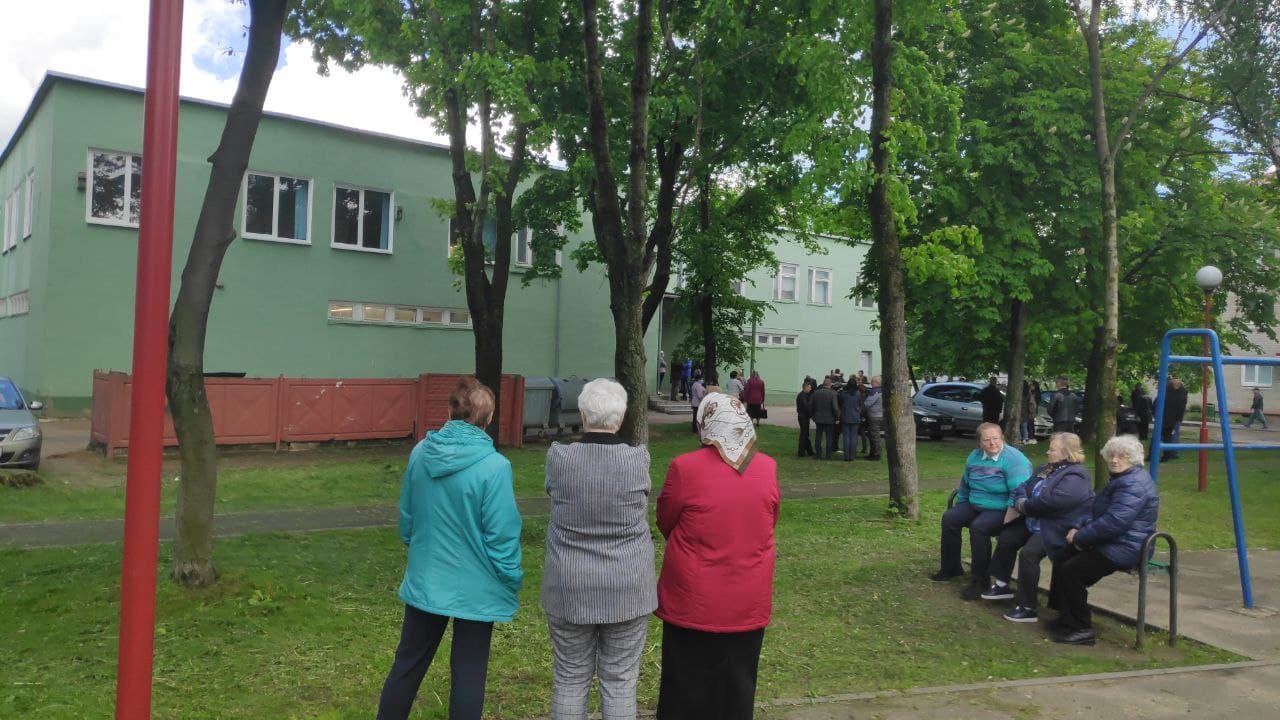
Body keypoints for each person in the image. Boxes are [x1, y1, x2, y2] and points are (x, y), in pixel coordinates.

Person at [378, 378, 523, 720]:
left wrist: (416, 546)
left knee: (408, 663)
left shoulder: (420, 453)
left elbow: (408, 515)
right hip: (477, 584)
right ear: (489, 418)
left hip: (428, 575)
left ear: (449, 410)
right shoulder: (495, 467)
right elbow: (502, 535)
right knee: (469, 671)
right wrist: (511, 576)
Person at [656, 393, 780, 719]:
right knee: (737, 686)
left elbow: (666, 520)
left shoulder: (685, 467)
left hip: (693, 596)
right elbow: (769, 519)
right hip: (747, 596)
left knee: (684, 685)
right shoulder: (768, 467)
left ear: (706, 423)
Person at [542, 379, 656, 720]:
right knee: (620, 681)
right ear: (620, 418)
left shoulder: (560, 457)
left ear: (582, 415)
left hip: (570, 583)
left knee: (569, 677)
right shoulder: (637, 459)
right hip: (627, 584)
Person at [1053, 435, 1159, 645]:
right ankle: (1067, 618)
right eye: (1111, 455)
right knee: (1063, 556)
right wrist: (1078, 527)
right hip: (1114, 541)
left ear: (1133, 459)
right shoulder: (1122, 479)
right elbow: (1097, 512)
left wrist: (1080, 537)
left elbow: (1114, 522)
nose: (1114, 460)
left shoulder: (1133, 484)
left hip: (1127, 547)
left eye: (1122, 456)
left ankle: (1082, 629)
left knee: (1071, 571)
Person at [982, 433, 1093, 623]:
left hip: (1055, 526)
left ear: (1066, 453)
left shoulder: (1076, 475)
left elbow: (1052, 503)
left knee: (1029, 554)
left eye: (1052, 449)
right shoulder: (1045, 468)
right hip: (1033, 520)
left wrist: (1024, 505)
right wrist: (1022, 500)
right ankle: (1002, 584)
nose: (1047, 452)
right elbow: (1022, 487)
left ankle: (1027, 607)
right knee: (1007, 538)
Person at [932, 423, 1033, 600]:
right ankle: (951, 568)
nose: (992, 443)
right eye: (987, 440)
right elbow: (965, 484)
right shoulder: (975, 456)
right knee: (950, 518)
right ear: (979, 443)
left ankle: (979, 581)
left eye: (996, 438)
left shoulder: (1015, 460)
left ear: (1002, 438)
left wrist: (1010, 517)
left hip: (1002, 507)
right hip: (975, 503)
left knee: (979, 528)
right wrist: (961, 504)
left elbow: (1019, 492)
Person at [809, 377, 840, 460]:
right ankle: (828, 455)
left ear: (823, 384)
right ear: (830, 384)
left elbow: (811, 405)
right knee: (829, 437)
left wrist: (812, 416)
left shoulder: (816, 393)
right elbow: (835, 407)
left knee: (818, 436)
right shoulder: (833, 393)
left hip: (818, 418)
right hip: (830, 419)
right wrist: (837, 417)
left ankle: (818, 454)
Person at [1159, 377, 1188, 461]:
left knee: (1171, 435)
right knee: (1170, 435)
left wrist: (1178, 418)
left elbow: (1180, 407)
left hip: (1172, 418)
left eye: (1177, 384)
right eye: (1175, 383)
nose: (1176, 385)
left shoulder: (1173, 392)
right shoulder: (1178, 392)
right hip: (1170, 418)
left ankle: (1171, 453)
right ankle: (1171, 453)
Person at [839, 379, 864, 461]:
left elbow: (840, 403)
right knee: (853, 437)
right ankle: (852, 456)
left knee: (846, 437)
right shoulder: (858, 394)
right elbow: (861, 405)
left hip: (845, 416)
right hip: (855, 417)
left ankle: (846, 456)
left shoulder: (843, 394)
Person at [862, 376, 884, 461]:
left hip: (874, 416)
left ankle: (876, 454)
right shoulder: (882, 391)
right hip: (880, 415)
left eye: (872, 382)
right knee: (873, 435)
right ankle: (873, 453)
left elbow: (867, 404)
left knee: (874, 436)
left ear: (875, 382)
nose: (871, 383)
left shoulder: (875, 391)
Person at [796, 379, 815, 457]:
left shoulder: (804, 395)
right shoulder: (802, 396)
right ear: (805, 387)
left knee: (805, 434)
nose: (810, 389)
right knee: (804, 435)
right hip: (803, 417)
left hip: (804, 417)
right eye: (809, 387)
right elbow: (806, 407)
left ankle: (809, 451)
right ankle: (801, 452)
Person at [1020, 380, 1038, 445]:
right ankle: (1025, 438)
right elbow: (1032, 404)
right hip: (1026, 412)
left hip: (1021, 412)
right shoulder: (1028, 393)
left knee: (1020, 426)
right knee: (1024, 426)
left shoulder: (1019, 393)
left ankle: (1021, 438)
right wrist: (1031, 412)